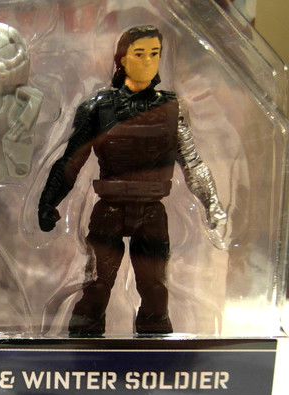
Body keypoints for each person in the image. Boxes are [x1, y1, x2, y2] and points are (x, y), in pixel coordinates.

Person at [38, 25, 226, 336]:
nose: (148, 61)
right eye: (139, 54)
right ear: (122, 59)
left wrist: (212, 203)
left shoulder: (172, 108)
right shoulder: (98, 107)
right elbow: (71, 161)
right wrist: (48, 201)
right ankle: (83, 343)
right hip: (110, 208)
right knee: (98, 283)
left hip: (151, 210)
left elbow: (192, 162)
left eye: (155, 53)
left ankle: (155, 345)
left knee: (154, 287)